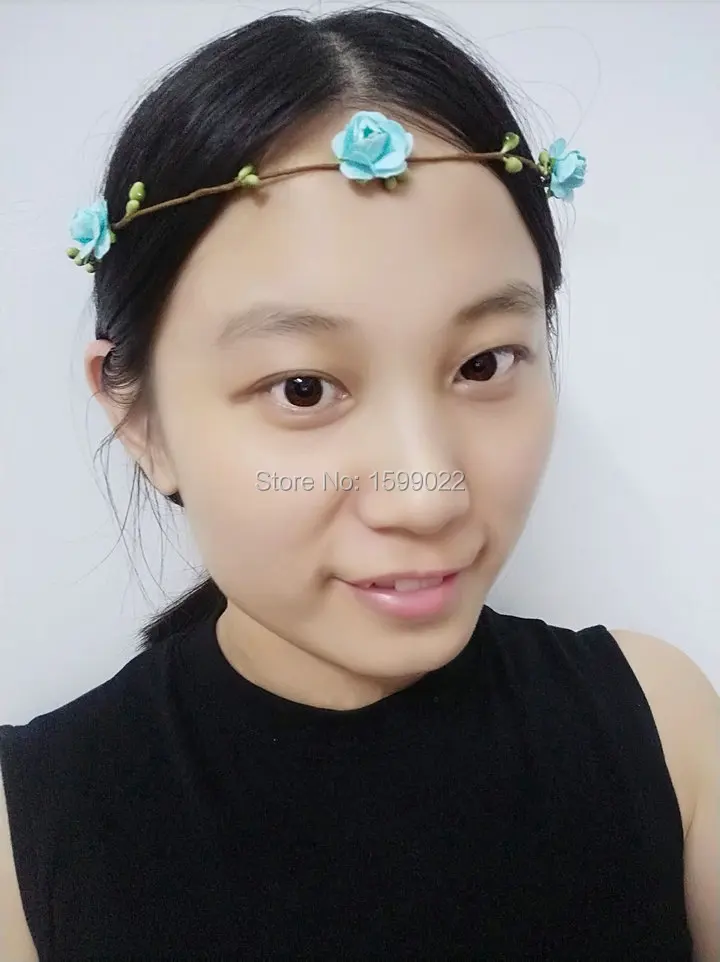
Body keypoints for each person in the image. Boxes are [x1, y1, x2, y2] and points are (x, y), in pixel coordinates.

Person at [1, 7, 717, 960]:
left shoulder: (663, 725)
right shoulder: (26, 837)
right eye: (303, 388)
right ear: (142, 421)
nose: (429, 497)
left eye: (484, 364)